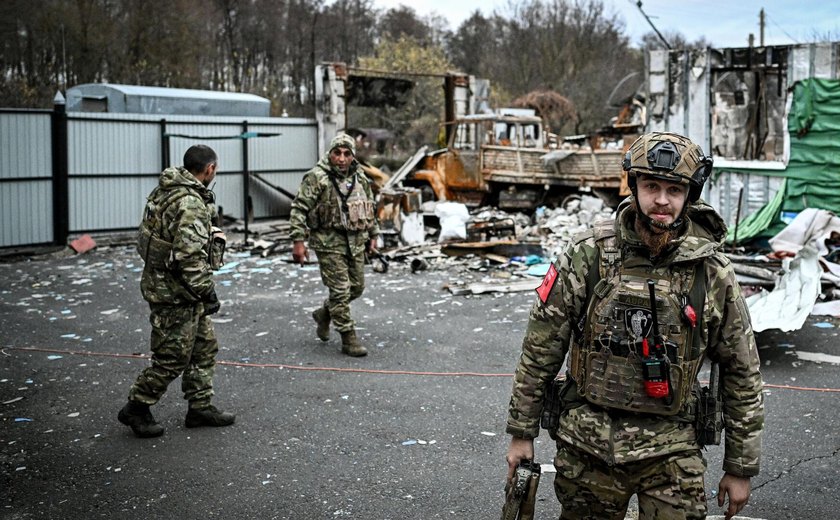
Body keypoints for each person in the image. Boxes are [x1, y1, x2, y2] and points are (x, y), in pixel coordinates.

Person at [505, 132, 764, 520]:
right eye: (651, 186)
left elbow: (741, 371)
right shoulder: (588, 254)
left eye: (674, 189)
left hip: (673, 455)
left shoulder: (712, 272)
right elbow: (540, 347)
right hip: (587, 448)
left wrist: (740, 467)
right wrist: (521, 432)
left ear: (689, 194)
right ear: (635, 186)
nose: (662, 200)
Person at [118, 144, 234, 438]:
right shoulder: (190, 203)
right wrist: (208, 293)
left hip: (176, 288)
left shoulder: (166, 190)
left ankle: (200, 406)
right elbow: (189, 258)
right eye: (214, 170)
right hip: (176, 293)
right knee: (172, 357)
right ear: (209, 170)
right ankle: (137, 406)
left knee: (204, 347)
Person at [289, 133, 379, 357]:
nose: (341, 158)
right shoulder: (317, 177)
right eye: (337, 153)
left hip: (355, 241)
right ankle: (349, 338)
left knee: (356, 287)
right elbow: (299, 208)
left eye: (347, 154)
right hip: (328, 242)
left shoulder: (359, 177)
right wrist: (298, 241)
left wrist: (373, 234)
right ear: (329, 153)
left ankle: (324, 314)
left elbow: (369, 206)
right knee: (340, 291)